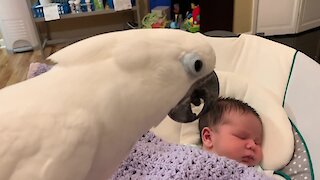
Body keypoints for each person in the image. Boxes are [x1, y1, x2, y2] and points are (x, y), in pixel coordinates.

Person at [198, 97, 263, 167]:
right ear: (208, 137)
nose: (252, 145)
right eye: (242, 137)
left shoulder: (257, 173)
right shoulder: (190, 156)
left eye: (257, 143)